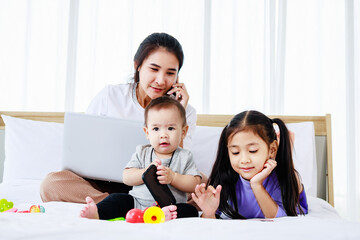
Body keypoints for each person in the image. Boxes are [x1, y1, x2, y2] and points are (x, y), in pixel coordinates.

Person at [40, 32, 199, 204]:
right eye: (154, 69)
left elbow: (181, 166)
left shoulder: (186, 110)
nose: (161, 80)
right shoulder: (110, 96)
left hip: (155, 187)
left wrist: (179, 111)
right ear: (137, 65)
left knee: (202, 183)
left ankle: (122, 204)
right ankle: (121, 203)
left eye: (170, 73)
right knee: (51, 183)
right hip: (101, 183)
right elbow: (84, 147)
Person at [80, 96, 201, 220]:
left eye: (170, 128)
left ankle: (162, 215)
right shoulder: (142, 151)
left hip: (169, 208)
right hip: (136, 204)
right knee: (116, 198)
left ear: (183, 132)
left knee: (190, 210)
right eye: (156, 129)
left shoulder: (185, 156)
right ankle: (97, 213)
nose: (163, 135)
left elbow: (195, 184)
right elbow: (126, 177)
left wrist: (174, 177)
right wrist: (145, 172)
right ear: (147, 132)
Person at [191, 110, 308, 219]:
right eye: (235, 152)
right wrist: (209, 212)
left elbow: (279, 220)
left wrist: (256, 185)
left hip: (290, 198)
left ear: (272, 149)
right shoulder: (226, 179)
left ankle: (283, 151)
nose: (244, 160)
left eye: (253, 150)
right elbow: (211, 226)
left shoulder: (285, 180)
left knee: (286, 171)